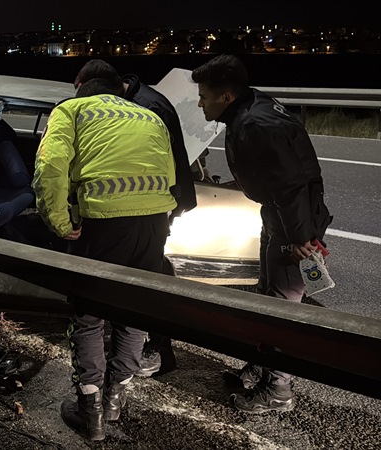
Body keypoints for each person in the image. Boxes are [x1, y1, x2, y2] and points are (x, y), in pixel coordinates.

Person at [33, 77, 177, 440]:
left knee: (89, 316)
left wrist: (59, 222)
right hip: (154, 224)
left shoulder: (71, 110)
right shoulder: (149, 116)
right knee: (133, 312)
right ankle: (115, 399)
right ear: (119, 89)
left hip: (103, 225)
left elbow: (50, 166)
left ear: (80, 85)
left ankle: (90, 410)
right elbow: (171, 172)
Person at [191, 54, 332, 413]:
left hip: (291, 219)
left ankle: (279, 390)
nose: (199, 103)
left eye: (204, 96)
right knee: (267, 296)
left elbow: (290, 186)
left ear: (225, 96)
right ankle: (263, 364)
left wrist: (301, 238)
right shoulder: (254, 105)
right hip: (280, 214)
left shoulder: (255, 123)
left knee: (281, 307)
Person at [74, 59, 197, 377]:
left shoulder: (147, 106)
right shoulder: (139, 99)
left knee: (143, 278)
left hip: (153, 203)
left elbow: (162, 159)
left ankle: (156, 348)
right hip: (153, 203)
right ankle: (140, 348)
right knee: (144, 272)